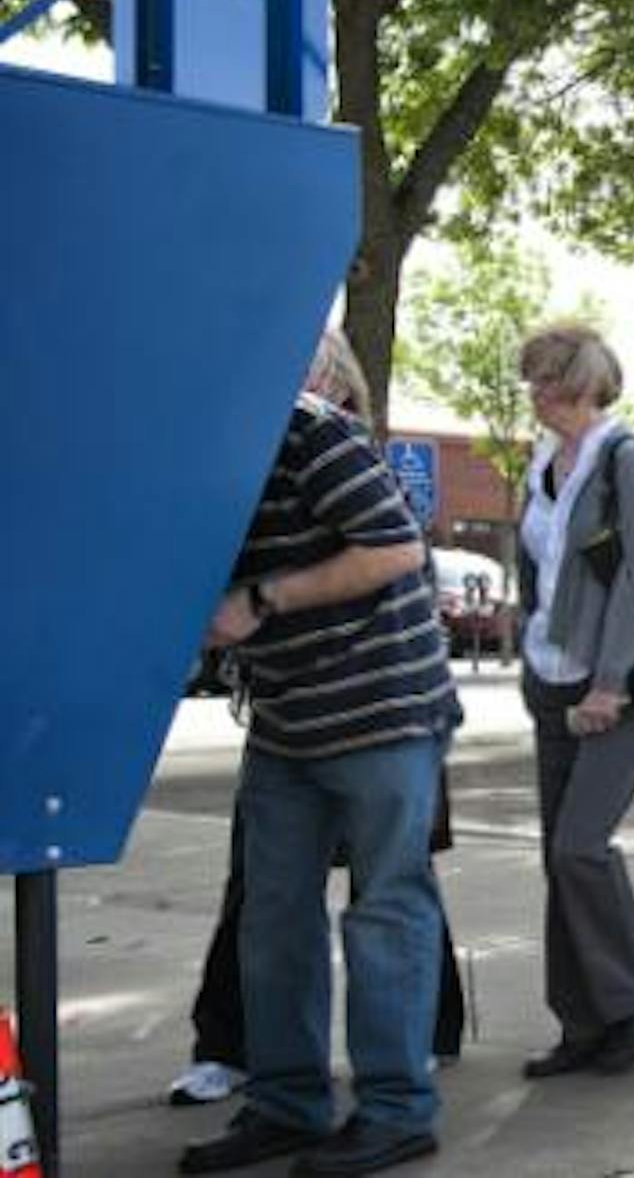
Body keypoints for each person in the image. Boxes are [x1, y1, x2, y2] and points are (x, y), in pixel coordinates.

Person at [178, 351, 459, 1177]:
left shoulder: (313, 431)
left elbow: (395, 548)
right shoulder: (212, 444)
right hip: (288, 720)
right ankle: (287, 1104)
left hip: (382, 710)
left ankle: (397, 1111)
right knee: (273, 917)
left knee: (385, 913)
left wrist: (262, 600)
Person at [514, 325, 634, 1080]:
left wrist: (611, 679)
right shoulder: (544, 462)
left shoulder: (630, 461)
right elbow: (539, 567)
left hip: (609, 689)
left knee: (581, 847)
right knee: (559, 857)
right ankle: (583, 1021)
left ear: (576, 381)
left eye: (542, 379)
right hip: (549, 681)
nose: (533, 393)